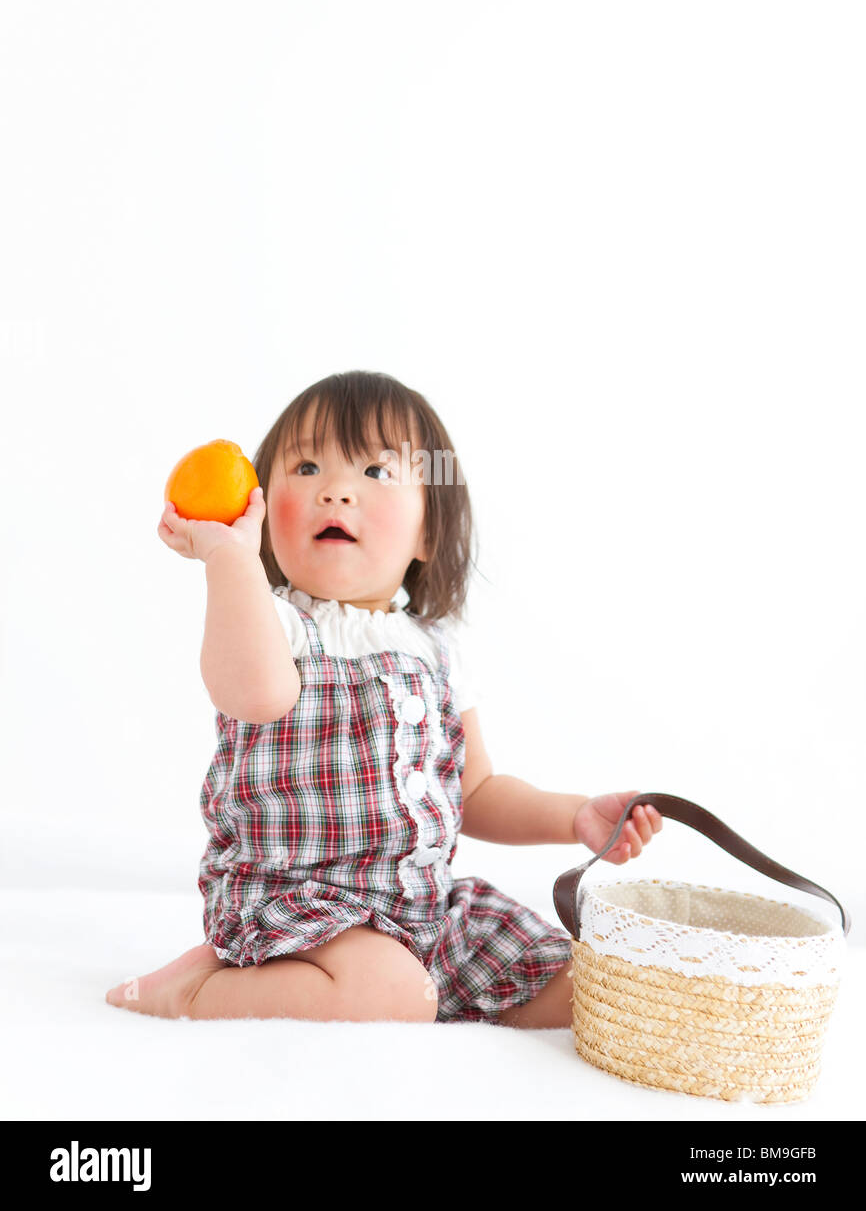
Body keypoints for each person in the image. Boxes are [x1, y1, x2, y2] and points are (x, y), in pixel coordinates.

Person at [105, 369, 662, 1025]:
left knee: (583, 986)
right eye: (308, 465)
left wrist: (573, 817)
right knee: (392, 993)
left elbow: (475, 792)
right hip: (296, 904)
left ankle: (421, 984)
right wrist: (232, 560)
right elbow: (252, 693)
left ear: (428, 533)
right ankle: (196, 989)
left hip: (423, 910)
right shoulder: (275, 623)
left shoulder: (437, 653)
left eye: (375, 472)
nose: (337, 490)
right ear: (260, 509)